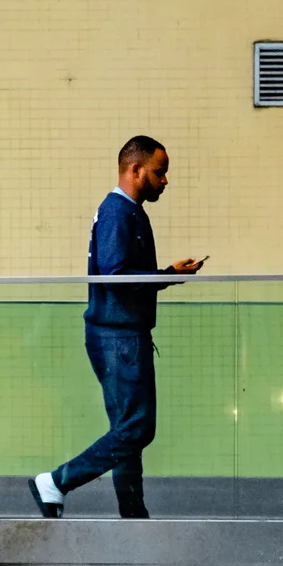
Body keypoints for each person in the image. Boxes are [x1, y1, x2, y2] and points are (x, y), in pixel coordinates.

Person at [30, 137, 205, 521]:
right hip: (118, 336)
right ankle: (57, 481)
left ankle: (133, 514)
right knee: (138, 428)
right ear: (135, 170)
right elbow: (115, 276)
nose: (165, 180)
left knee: (128, 428)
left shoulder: (129, 212)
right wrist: (169, 276)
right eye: (160, 172)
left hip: (118, 333)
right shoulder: (117, 212)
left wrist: (168, 274)